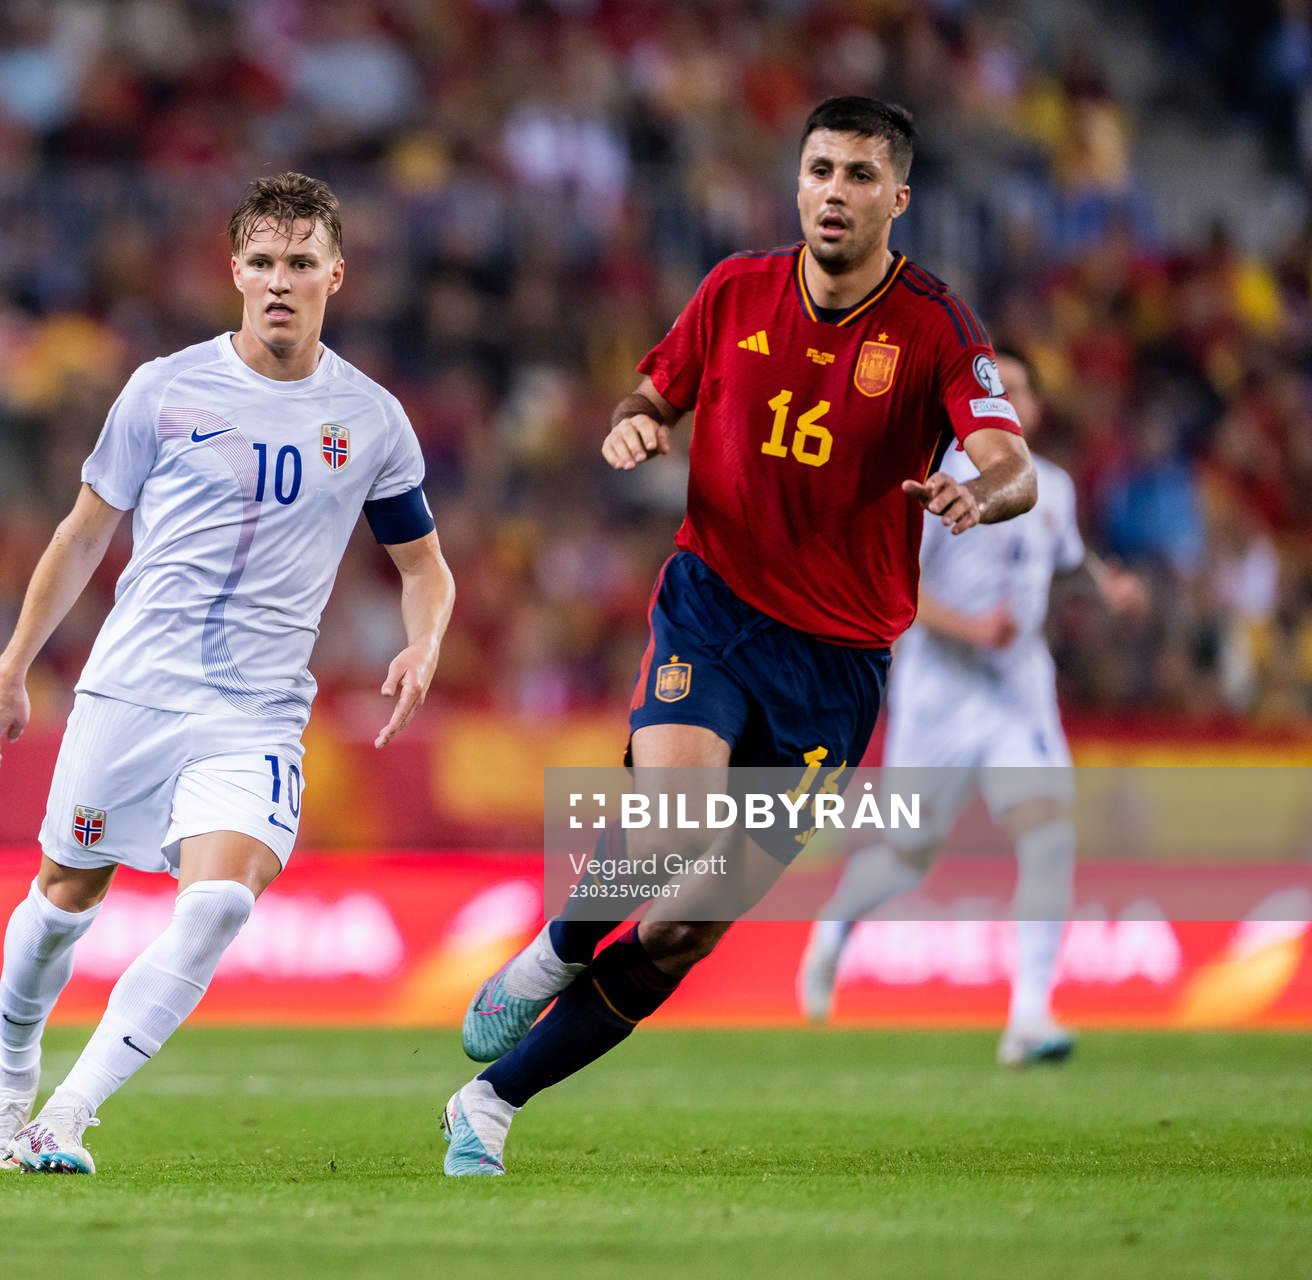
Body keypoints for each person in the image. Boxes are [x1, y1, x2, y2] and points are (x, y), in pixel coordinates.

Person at [443, 97, 1038, 1176]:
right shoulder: (733, 289)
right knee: (672, 824)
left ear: (896, 200)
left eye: (860, 176)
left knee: (683, 929)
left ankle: (488, 1102)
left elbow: (1012, 460)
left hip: (838, 666)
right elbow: (655, 384)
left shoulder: (938, 328)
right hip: (714, 604)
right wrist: (636, 417)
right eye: (820, 169)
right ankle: (554, 950)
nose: (834, 193)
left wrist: (974, 494)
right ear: (797, 181)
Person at [0, 172, 455, 1173]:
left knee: (222, 902)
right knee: (65, 894)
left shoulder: (370, 419)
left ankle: (65, 1115)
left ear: (335, 274)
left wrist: (424, 638)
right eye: (264, 262)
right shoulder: (164, 388)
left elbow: (423, 566)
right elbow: (83, 531)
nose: (281, 280)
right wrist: (15, 665)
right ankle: (9, 1083)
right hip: (132, 689)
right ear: (234, 270)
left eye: (301, 263)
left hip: (255, 711)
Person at [796, 349, 1146, 1066]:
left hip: (1019, 693)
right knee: (907, 858)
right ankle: (834, 924)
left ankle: (1029, 1018)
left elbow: (1067, 559)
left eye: (1020, 389)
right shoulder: (939, 481)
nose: (1008, 401)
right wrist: (972, 627)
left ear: (1037, 408)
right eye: (997, 389)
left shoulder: (1053, 488)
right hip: (940, 695)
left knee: (1047, 834)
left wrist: (1105, 586)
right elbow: (897, 592)